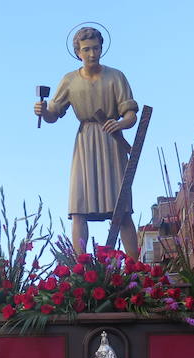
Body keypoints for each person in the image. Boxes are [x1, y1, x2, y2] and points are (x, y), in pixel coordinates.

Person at [34, 26, 140, 259]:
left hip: (112, 142)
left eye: (96, 48)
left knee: (122, 210)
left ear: (102, 48)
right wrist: (43, 111)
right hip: (85, 144)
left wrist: (120, 124)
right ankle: (80, 268)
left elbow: (131, 115)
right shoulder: (69, 80)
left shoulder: (116, 76)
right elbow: (54, 113)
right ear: (78, 52)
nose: (92, 53)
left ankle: (137, 269)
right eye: (86, 49)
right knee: (78, 207)